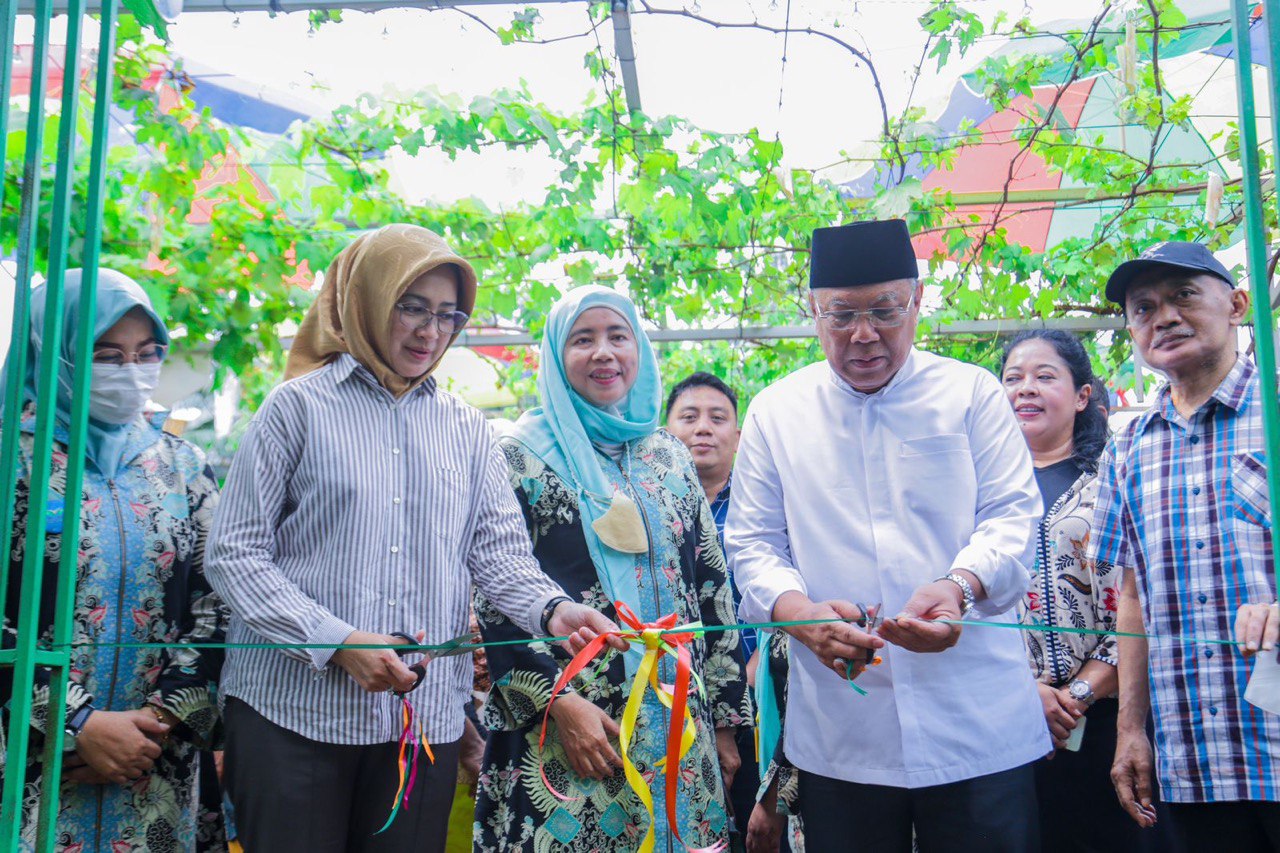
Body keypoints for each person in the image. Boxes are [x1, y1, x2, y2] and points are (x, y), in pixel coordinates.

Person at [205, 225, 618, 853]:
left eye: (448, 315)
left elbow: (498, 553)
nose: (431, 332)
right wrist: (338, 641)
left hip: (418, 723)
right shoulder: (296, 410)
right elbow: (234, 554)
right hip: (290, 716)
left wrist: (553, 608)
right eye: (412, 307)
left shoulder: (466, 429)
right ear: (367, 302)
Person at [727, 218, 1049, 853]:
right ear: (812, 311)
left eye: (885, 309)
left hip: (976, 721)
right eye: (841, 314)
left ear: (918, 301)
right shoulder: (777, 410)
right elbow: (753, 542)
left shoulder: (971, 394)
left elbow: (1013, 515)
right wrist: (798, 614)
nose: (864, 333)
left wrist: (960, 585)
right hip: (844, 733)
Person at [473, 285, 753, 852]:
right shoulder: (515, 456)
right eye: (583, 339)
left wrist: (726, 727)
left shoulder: (667, 454)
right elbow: (493, 588)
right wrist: (557, 704)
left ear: (639, 351)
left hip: (679, 723)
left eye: (617, 336)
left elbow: (711, 589)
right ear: (556, 355)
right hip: (573, 731)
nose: (604, 352)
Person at [0, 269, 229, 851]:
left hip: (154, 762)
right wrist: (76, 724)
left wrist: (158, 722)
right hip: (25, 757)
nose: (131, 372)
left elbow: (219, 601)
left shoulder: (183, 466)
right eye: (107, 355)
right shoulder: (9, 463)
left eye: (147, 354)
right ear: (50, 353)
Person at [1093, 242, 1280, 851]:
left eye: (1183, 296)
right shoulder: (1128, 446)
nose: (1163, 317)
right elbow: (1132, 597)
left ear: (1237, 304)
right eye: (1143, 308)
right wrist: (1129, 731)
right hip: (1191, 762)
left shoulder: (1276, 414)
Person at [1001, 329, 1143, 852]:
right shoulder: (977, 489)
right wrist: (1023, 693)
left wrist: (1075, 696)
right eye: (1012, 379)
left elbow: (1140, 598)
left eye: (1044, 376)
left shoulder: (1115, 480)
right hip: (1002, 714)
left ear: (1083, 396)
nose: (1025, 390)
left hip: (1102, 715)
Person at [665, 372, 760, 845]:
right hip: (671, 698)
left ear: (737, 436)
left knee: (755, 816)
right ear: (665, 432)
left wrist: (756, 664)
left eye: (717, 418)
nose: (703, 428)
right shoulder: (648, 508)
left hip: (757, 694)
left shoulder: (761, 504)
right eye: (689, 416)